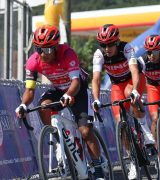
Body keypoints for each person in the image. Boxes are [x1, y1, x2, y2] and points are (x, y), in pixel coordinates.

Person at [15, 25, 104, 179]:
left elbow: (75, 81)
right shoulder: (33, 61)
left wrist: (69, 94)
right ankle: (58, 139)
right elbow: (30, 90)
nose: (43, 54)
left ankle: (98, 167)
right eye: (39, 49)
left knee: (85, 132)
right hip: (58, 89)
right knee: (43, 106)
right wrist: (23, 105)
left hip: (77, 89)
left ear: (56, 47)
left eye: (48, 50)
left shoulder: (67, 53)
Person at [91, 24, 149, 179]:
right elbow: (96, 79)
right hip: (117, 84)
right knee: (119, 121)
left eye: (110, 44)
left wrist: (136, 89)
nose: (107, 48)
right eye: (103, 45)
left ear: (116, 42)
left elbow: (135, 71)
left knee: (130, 93)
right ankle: (132, 160)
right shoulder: (99, 54)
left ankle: (145, 128)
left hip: (134, 79)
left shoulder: (126, 48)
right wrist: (96, 99)